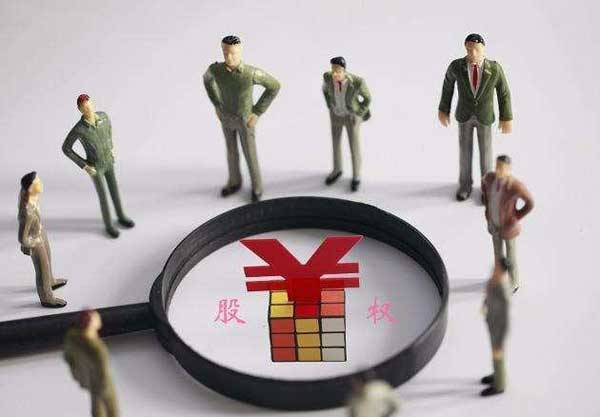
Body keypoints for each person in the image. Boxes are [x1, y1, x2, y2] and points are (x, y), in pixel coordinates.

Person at [203, 35, 281, 202]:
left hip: (246, 120)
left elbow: (274, 86)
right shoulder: (216, 70)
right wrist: (216, 104)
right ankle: (234, 181)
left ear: (240, 51)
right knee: (231, 152)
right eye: (226, 53)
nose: (229, 57)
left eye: (233, 53)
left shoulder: (251, 73)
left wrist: (257, 112)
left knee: (250, 154)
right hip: (226, 117)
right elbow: (207, 80)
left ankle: (257, 187)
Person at [438, 33, 513, 201]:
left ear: (483, 49)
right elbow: (447, 86)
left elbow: (504, 93)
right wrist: (444, 109)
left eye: (476, 50)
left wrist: (506, 117)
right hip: (464, 115)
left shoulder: (494, 69)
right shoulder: (457, 66)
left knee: (486, 154)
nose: (472, 53)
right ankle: (465, 185)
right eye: (469, 49)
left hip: (484, 116)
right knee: (464, 152)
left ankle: (487, 188)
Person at [62, 94, 135, 238]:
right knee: (103, 196)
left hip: (108, 161)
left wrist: (111, 147)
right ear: (80, 110)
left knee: (115, 190)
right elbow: (66, 148)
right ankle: (109, 225)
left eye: (89, 105)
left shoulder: (104, 117)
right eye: (84, 108)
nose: (88, 109)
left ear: (93, 103)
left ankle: (121, 216)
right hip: (95, 167)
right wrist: (84, 165)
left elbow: (109, 130)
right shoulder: (79, 129)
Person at [482, 155, 534, 292]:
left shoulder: (515, 186)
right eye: (497, 167)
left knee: (511, 256)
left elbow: (530, 203)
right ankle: (499, 279)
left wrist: (516, 217)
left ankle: (513, 282)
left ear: (509, 169)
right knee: (497, 255)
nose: (499, 170)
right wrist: (487, 210)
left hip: (508, 228)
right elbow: (485, 189)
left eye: (503, 168)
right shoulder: (490, 178)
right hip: (494, 225)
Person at [18, 171, 67, 308]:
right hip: (34, 240)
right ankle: (46, 297)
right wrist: (31, 244)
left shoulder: (31, 196)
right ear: (30, 188)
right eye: (37, 182)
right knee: (42, 267)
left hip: (39, 231)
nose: (40, 183)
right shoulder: (27, 211)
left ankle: (50, 281)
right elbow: (22, 238)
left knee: (48, 258)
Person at [322, 56, 371, 192]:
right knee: (335, 143)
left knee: (353, 146)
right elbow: (325, 90)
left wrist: (358, 113)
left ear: (344, 70)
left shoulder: (357, 82)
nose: (334, 73)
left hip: (351, 117)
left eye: (337, 70)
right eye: (333, 69)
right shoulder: (327, 77)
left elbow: (367, 98)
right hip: (335, 115)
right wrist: (330, 105)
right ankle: (337, 169)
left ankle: (356, 175)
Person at [64, 309, 119, 417]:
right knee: (111, 406)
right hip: (102, 383)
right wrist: (104, 388)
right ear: (90, 324)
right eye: (96, 318)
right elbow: (103, 370)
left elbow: (68, 357)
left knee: (96, 404)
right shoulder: (97, 349)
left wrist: (77, 374)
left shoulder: (72, 337)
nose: (99, 320)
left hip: (88, 379)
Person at [480, 258, 511, 396]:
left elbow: (505, 317)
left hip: (499, 328)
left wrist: (500, 337)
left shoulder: (503, 289)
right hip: (491, 322)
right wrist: (484, 307)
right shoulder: (493, 280)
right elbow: (488, 296)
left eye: (497, 267)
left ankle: (499, 385)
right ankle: (496, 374)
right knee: (495, 354)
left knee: (498, 355)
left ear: (502, 271)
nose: (494, 268)